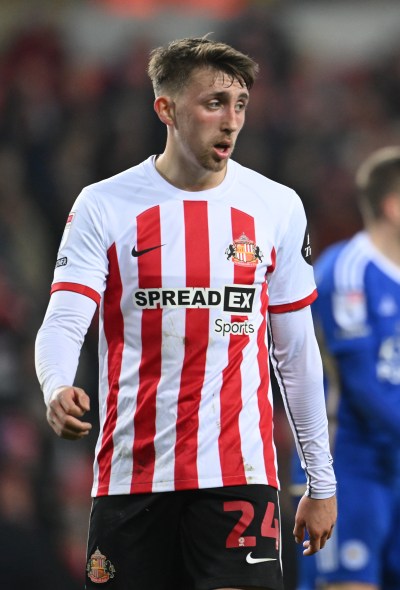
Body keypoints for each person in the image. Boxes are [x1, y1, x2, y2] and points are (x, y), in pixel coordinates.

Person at [34, 36, 336, 590]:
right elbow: (64, 318)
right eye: (214, 103)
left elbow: (296, 354)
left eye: (240, 103)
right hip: (133, 478)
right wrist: (56, 385)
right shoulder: (105, 204)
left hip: (238, 476)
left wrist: (321, 481)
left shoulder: (276, 206)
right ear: (166, 109)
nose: (232, 121)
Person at [289, 146, 400, 590]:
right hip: (342, 467)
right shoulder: (346, 271)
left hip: (394, 467)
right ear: (393, 207)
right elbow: (360, 389)